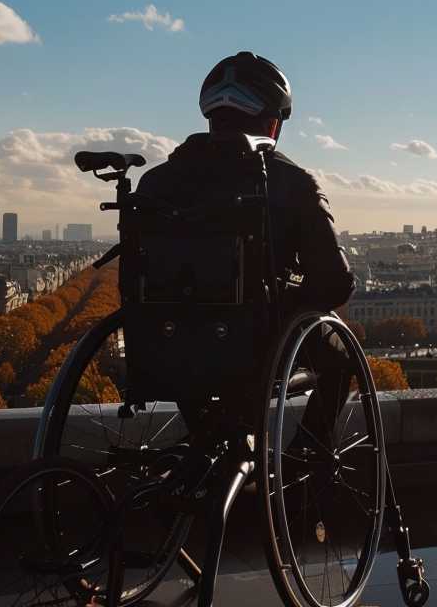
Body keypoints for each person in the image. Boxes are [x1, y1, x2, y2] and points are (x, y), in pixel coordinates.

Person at [135, 51, 356, 445]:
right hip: (256, 344)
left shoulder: (156, 183)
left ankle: (209, 441)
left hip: (165, 342)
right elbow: (335, 284)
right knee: (342, 358)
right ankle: (305, 467)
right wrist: (286, 298)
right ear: (273, 123)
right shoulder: (291, 182)